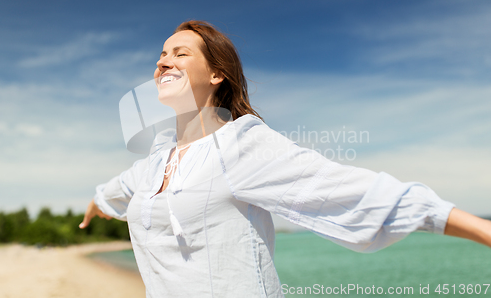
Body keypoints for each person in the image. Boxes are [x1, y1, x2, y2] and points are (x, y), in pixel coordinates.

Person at [80, 20, 491, 297]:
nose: (162, 60)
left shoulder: (240, 145)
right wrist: (98, 203)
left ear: (217, 74)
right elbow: (122, 188)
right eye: (161, 54)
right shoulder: (158, 158)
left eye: (180, 53)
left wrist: (481, 229)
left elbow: (356, 192)